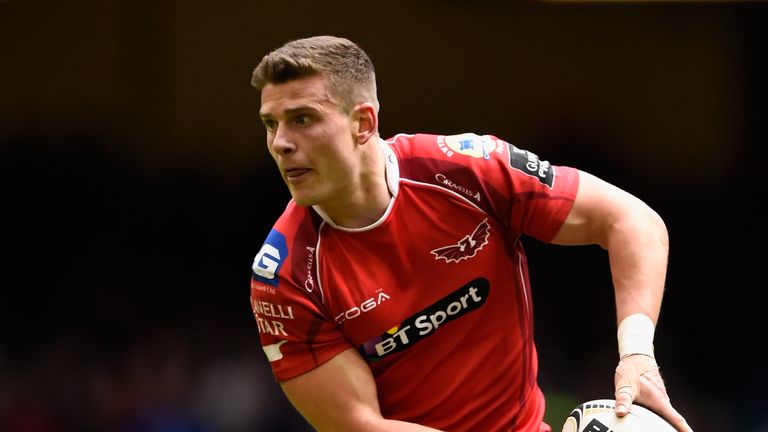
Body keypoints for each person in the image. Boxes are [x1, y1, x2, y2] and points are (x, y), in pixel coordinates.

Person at [248, 35, 693, 432]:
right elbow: (361, 426)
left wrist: (637, 354)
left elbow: (631, 220)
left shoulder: (464, 171)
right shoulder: (283, 276)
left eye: (302, 119)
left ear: (363, 123)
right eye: (271, 124)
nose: (280, 143)